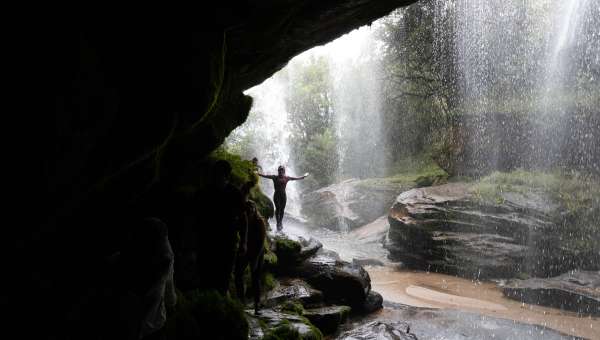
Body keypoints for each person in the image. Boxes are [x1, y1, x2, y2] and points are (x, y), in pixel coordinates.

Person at [234, 181, 267, 315]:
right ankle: (241, 301)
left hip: (257, 253)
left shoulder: (259, 223)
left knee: (255, 278)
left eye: (252, 210)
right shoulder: (243, 220)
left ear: (255, 210)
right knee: (238, 274)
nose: (250, 212)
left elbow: (260, 243)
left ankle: (257, 306)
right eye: (247, 210)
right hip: (245, 250)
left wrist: (254, 260)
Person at [258, 165, 308, 230]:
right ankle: (278, 222)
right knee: (278, 208)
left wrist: (303, 176)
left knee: (282, 210)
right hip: (276, 195)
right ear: (278, 171)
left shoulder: (287, 178)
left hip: (283, 196)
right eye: (280, 170)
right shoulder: (274, 177)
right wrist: (258, 173)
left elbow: (296, 178)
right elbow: (265, 176)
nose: (281, 171)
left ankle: (280, 222)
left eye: (282, 170)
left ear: (284, 171)